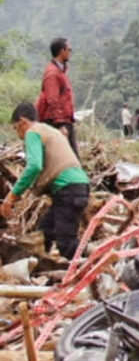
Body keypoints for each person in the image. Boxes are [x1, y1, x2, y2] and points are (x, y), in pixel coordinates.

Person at [1, 103, 90, 259]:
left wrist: (12, 196)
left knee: (67, 244)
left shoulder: (32, 132)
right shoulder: (50, 131)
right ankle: (42, 267)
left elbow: (34, 166)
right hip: (79, 186)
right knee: (45, 232)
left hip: (67, 189)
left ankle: (93, 271)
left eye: (16, 128)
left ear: (22, 122)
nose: (18, 134)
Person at [35, 37, 79, 159]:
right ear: (62, 51)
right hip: (56, 122)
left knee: (68, 158)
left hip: (64, 120)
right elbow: (52, 100)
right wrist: (60, 125)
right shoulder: (52, 73)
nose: (70, 52)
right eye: (69, 49)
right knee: (71, 159)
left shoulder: (60, 72)